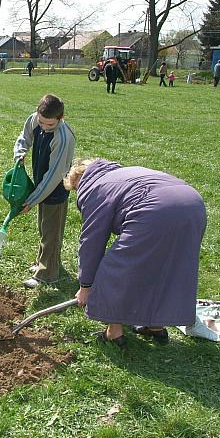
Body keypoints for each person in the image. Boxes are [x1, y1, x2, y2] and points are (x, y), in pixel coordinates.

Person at [65, 158, 207, 348]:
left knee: (113, 269)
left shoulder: (95, 189)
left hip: (155, 210)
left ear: (80, 181)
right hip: (193, 206)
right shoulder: (124, 174)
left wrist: (86, 286)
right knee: (162, 266)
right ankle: (155, 326)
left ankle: (114, 332)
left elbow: (92, 241)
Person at [13, 94, 77, 289]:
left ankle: (47, 274)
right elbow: (24, 137)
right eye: (42, 122)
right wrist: (20, 153)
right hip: (42, 183)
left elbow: (53, 176)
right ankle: (45, 262)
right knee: (44, 227)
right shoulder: (36, 120)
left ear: (61, 118)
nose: (44, 127)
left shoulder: (63, 138)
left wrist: (31, 201)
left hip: (55, 188)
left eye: (50, 125)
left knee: (51, 231)